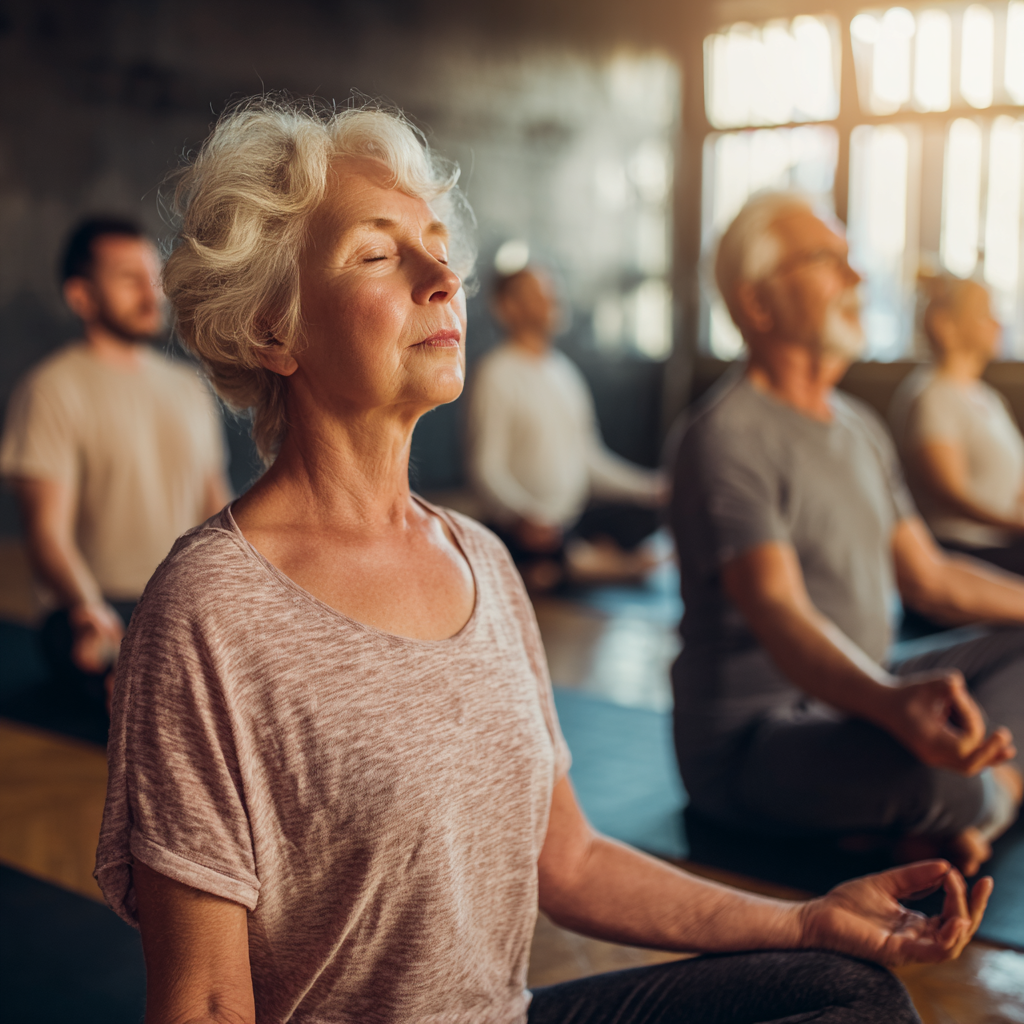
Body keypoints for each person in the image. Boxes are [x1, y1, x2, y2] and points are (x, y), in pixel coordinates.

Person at [93, 99, 986, 1024]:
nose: (442, 277)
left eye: (438, 247)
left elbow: (568, 860)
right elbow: (202, 1000)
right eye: (376, 253)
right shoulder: (210, 609)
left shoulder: (478, 560)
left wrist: (803, 921)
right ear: (275, 330)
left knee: (845, 995)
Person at [671, 191, 1024, 881]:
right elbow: (780, 612)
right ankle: (971, 810)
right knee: (938, 778)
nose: (857, 277)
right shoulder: (726, 437)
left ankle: (975, 811)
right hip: (759, 741)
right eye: (826, 260)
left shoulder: (860, 428)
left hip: (865, 690)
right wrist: (892, 708)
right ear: (760, 305)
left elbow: (930, 577)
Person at [0, 217, 230, 707]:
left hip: (182, 599)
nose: (151, 294)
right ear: (81, 296)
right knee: (110, 663)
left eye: (153, 277)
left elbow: (217, 510)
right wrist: (89, 609)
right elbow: (47, 535)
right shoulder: (50, 391)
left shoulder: (190, 387)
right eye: (129, 279)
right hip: (99, 606)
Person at [467, 267, 666, 590]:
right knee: (541, 549)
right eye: (538, 295)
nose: (552, 301)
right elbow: (485, 470)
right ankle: (599, 564)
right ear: (507, 307)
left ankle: (586, 560)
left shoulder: (566, 373)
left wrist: (651, 489)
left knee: (645, 517)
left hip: (572, 520)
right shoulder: (496, 373)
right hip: (529, 528)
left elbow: (590, 460)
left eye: (552, 294)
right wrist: (522, 516)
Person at [890, 275, 1024, 575]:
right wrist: (1016, 525)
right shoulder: (932, 395)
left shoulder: (991, 399)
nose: (996, 323)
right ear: (944, 324)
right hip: (962, 549)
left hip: (1004, 542)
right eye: (983, 313)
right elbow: (950, 494)